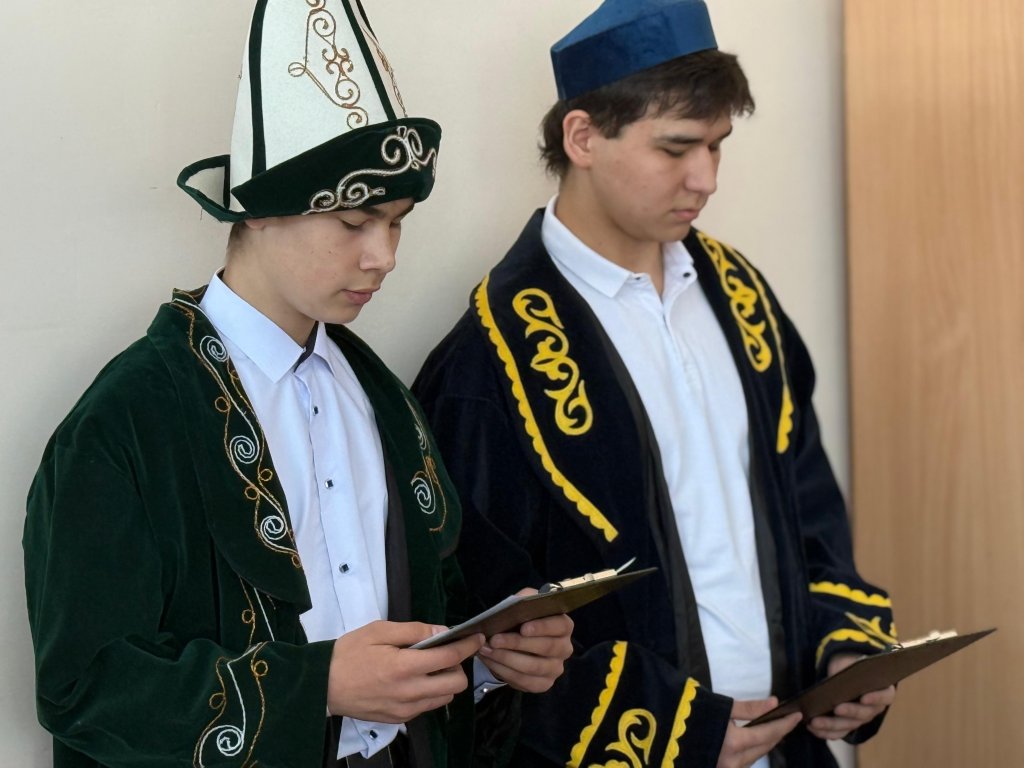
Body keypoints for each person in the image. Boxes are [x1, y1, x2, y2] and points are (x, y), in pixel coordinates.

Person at [22, 2, 571, 767]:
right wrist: (316, 686)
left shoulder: (378, 395)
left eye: (398, 222)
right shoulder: (129, 420)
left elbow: (434, 596)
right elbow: (83, 686)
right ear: (259, 211)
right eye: (354, 222)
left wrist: (494, 652)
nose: (384, 256)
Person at [412, 1, 896, 766]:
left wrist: (844, 652)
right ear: (582, 137)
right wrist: (681, 733)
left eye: (717, 145)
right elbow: (487, 636)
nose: (706, 178)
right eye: (676, 148)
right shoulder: (489, 361)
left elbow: (808, 509)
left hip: (788, 747)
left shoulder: (741, 298)